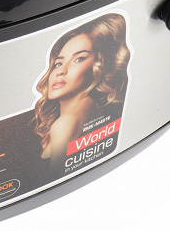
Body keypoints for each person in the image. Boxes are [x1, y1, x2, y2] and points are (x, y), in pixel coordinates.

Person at [33, 13, 130, 167]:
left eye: (79, 59)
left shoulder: (65, 123)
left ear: (98, 66)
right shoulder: (89, 107)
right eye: (58, 63)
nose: (61, 71)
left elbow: (59, 176)